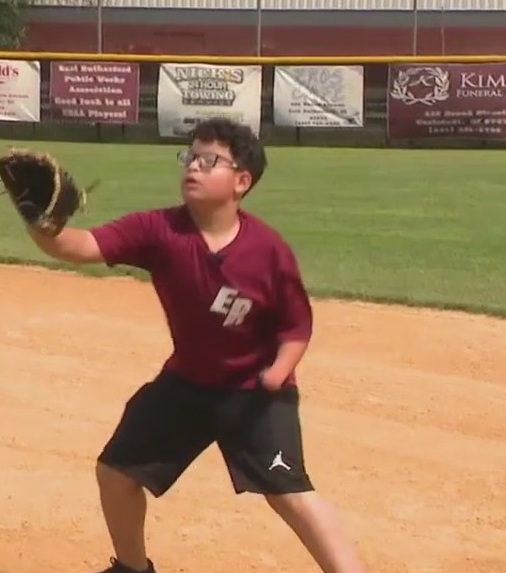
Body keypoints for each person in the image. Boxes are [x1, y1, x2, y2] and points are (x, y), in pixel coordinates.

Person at [24, 117, 368, 573]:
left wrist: (279, 372)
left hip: (255, 393)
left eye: (211, 161)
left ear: (242, 181)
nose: (193, 167)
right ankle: (132, 568)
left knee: (289, 493)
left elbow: (296, 326)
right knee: (116, 474)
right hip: (187, 383)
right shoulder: (158, 230)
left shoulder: (268, 250)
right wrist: (37, 219)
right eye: (190, 156)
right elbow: (76, 247)